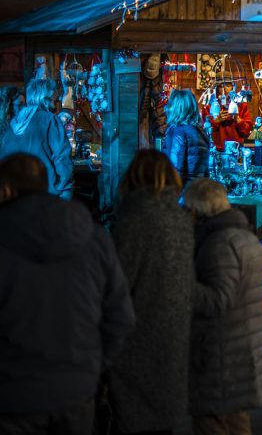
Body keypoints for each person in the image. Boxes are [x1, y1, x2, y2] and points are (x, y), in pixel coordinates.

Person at [0, 153, 135, 433]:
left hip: (13, 391)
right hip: (76, 386)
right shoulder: (93, 237)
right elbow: (120, 316)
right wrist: (94, 364)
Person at [109, 150, 195, 435]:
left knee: (133, 418)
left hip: (135, 334)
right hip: (173, 332)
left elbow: (118, 284)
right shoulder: (182, 220)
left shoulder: (131, 221)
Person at [183, 178, 262, 435]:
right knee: (236, 421)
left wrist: (181, 281)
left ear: (198, 209)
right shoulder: (243, 237)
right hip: (241, 351)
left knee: (213, 422)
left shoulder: (219, 243)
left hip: (221, 355)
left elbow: (217, 300)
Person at [0, 78, 73, 199]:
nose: (55, 104)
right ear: (44, 98)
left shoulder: (11, 123)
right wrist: (65, 190)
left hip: (15, 193)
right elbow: (62, 158)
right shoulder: (50, 120)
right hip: (46, 192)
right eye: (53, 100)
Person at [164, 88, 211, 186]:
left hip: (182, 195)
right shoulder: (200, 132)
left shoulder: (178, 132)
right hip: (197, 192)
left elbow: (175, 170)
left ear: (176, 108)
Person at [209, 88, 254, 152]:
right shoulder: (213, 104)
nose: (226, 89)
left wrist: (237, 119)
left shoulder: (242, 105)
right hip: (217, 150)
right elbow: (205, 131)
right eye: (222, 86)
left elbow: (246, 132)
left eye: (228, 85)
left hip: (237, 150)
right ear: (218, 89)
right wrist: (216, 121)